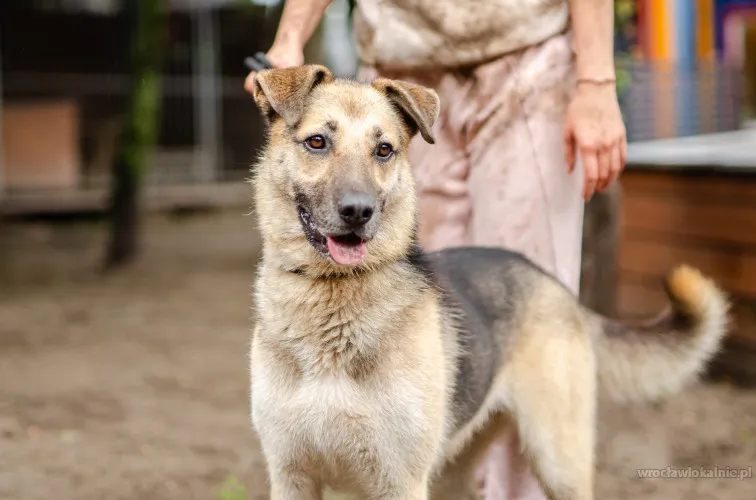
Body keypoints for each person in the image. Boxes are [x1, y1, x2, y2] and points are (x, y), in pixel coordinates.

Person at [244, 0, 627, 498]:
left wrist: (596, 80)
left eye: (383, 153)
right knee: (441, 466)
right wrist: (291, 34)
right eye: (318, 144)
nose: (357, 201)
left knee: (528, 423)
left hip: (528, 61)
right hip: (400, 57)